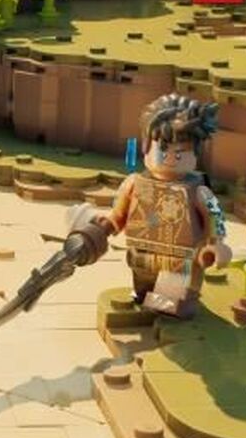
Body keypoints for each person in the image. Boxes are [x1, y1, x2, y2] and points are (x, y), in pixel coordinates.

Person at [94, 94, 231, 318]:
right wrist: (108, 223)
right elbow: (119, 214)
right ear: (146, 147)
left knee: (169, 304)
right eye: (163, 150)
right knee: (143, 295)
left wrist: (215, 244)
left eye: (180, 152)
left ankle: (174, 309)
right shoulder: (134, 183)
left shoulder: (198, 191)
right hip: (141, 254)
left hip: (179, 260)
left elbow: (215, 216)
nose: (171, 158)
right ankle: (147, 301)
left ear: (195, 153)